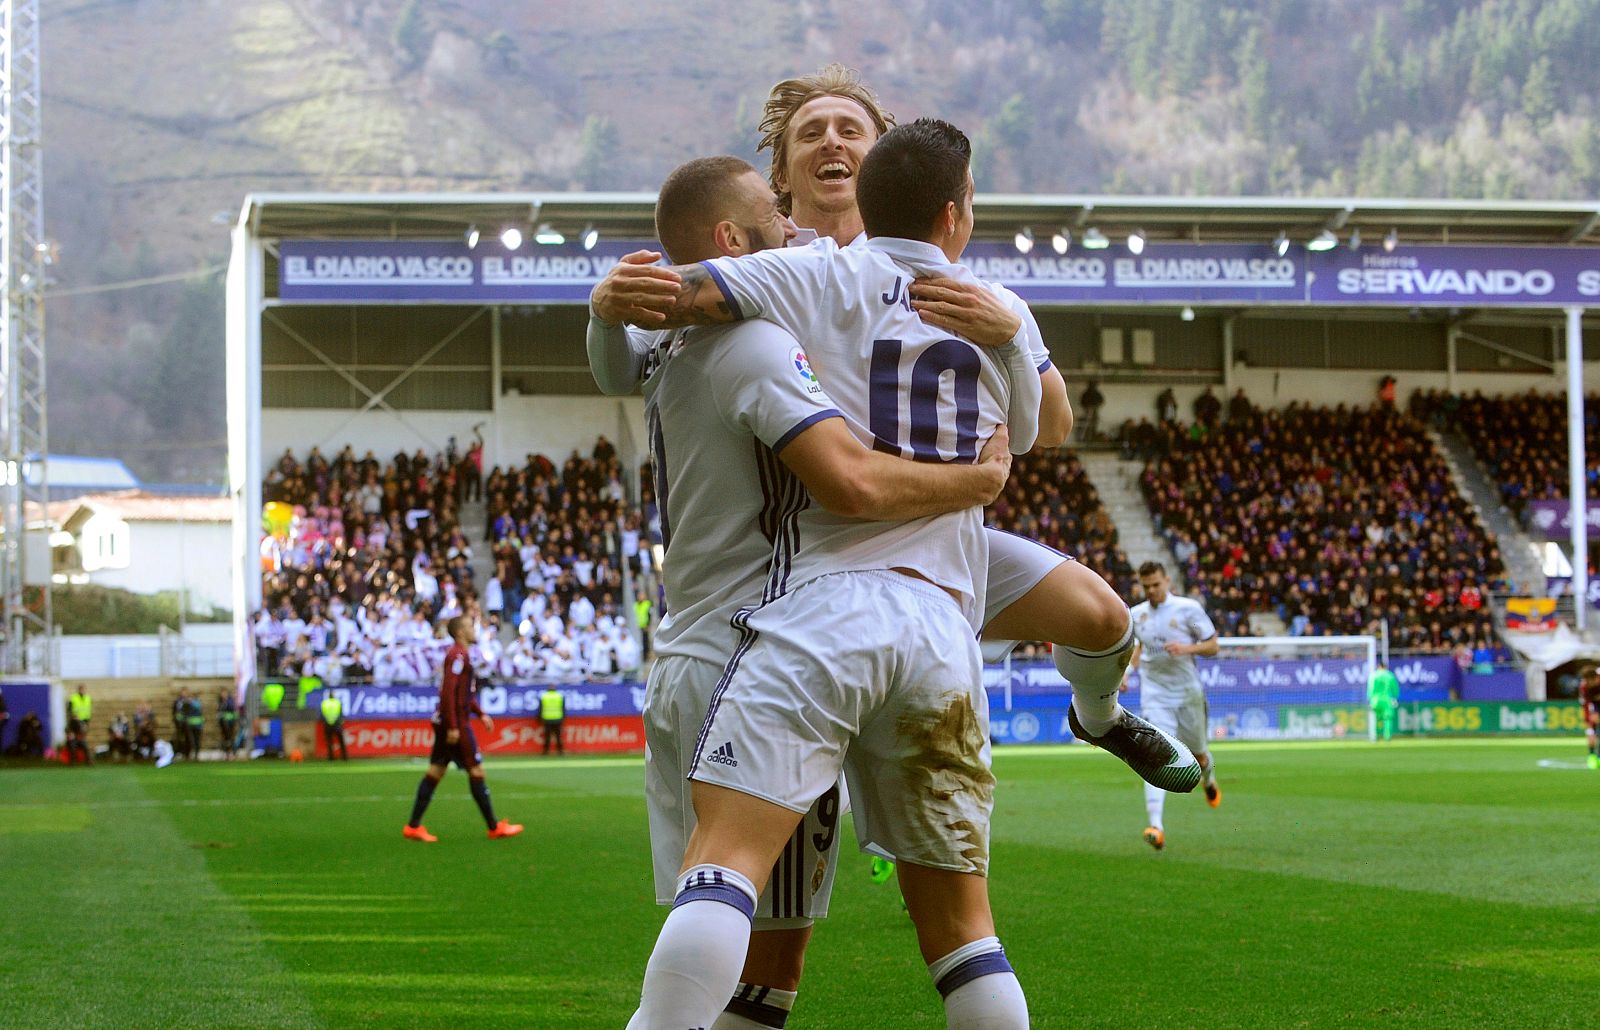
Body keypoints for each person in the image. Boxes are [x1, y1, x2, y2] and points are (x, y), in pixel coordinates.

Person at [620, 120, 1033, 1030]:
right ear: (956, 215)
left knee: (747, 928)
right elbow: (853, 478)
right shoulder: (775, 340)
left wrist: (606, 302)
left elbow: (662, 308)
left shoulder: (773, 311)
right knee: (957, 934)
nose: (793, 222)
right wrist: (983, 470)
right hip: (856, 636)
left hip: (791, 636)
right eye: (776, 208)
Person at [1125, 561, 1222, 851]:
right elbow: (1136, 649)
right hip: (1155, 695)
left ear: (1168, 581)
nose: (1152, 590)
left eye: (1156, 584)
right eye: (1147, 586)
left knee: (1199, 755)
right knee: (1155, 757)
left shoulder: (1187, 610)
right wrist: (1126, 675)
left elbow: (1213, 645)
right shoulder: (1136, 615)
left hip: (1187, 694)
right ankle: (1157, 825)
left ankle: (1209, 779)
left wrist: (1187, 648)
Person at [402, 615, 523, 843]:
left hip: (449, 720)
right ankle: (494, 827)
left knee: (436, 771)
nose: (473, 630)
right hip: (455, 722)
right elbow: (448, 692)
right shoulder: (457, 655)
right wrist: (454, 726)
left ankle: (413, 827)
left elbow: (463, 693)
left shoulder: (462, 655)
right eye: (469, 626)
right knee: (476, 771)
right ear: (460, 632)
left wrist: (480, 713)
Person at [1369, 662, 1400, 743]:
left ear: (1378, 666)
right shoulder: (1389, 675)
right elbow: (1395, 688)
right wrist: (1396, 697)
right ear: (1385, 667)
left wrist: (1370, 699)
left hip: (1375, 700)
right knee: (1388, 719)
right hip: (1387, 700)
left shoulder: (1373, 675)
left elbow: (1370, 689)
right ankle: (1387, 737)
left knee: (1376, 719)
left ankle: (1374, 737)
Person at [1580, 667, 1600, 770]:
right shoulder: (1584, 687)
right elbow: (1587, 705)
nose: (1587, 683)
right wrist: (1589, 719)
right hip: (1594, 707)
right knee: (1591, 732)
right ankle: (1592, 756)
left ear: (1596, 678)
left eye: (1589, 681)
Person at [320, 688, 348, 761]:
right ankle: (344, 757)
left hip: (328, 724)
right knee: (341, 741)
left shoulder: (324, 703)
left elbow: (322, 715)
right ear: (334, 696)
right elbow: (341, 714)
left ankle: (331, 757)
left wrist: (325, 721)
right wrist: (341, 721)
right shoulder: (337, 702)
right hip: (337, 724)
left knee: (329, 742)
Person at [538, 684, 565, 756]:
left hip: (547, 718)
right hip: (557, 718)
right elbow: (563, 708)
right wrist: (563, 718)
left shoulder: (544, 696)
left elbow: (540, 708)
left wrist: (539, 718)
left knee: (547, 736)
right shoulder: (559, 696)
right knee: (558, 736)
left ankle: (545, 751)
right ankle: (560, 751)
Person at [218, 691, 240, 760]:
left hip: (230, 724)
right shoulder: (220, 702)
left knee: (231, 738)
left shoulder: (230, 702)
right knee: (225, 739)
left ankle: (233, 752)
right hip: (223, 724)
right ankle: (227, 753)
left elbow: (233, 711)